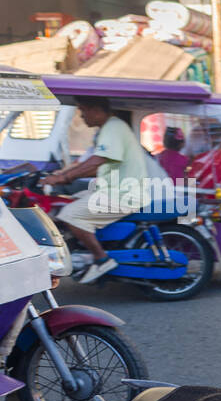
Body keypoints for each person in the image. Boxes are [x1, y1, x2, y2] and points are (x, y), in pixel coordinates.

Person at [42, 95, 157, 284]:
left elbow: (97, 162)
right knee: (66, 201)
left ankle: (101, 259)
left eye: (83, 110)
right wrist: (61, 173)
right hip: (114, 190)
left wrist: (63, 177)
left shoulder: (113, 128)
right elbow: (92, 163)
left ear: (96, 110)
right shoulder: (108, 129)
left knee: (70, 215)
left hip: (122, 194)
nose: (81, 116)